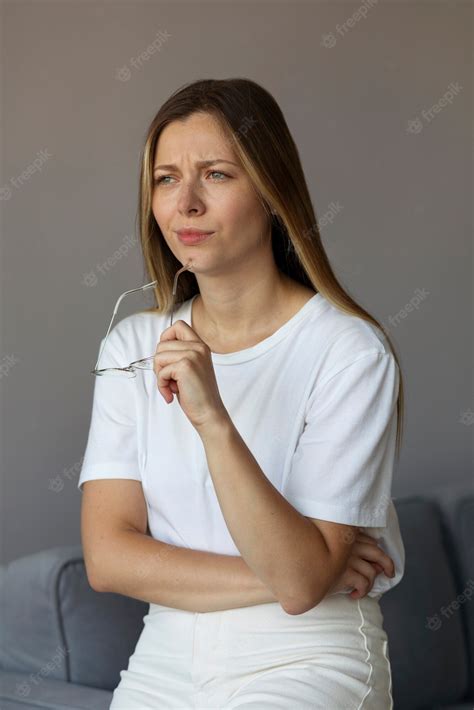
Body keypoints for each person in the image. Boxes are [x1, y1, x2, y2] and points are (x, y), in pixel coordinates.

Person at [78, 78, 405, 709]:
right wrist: (309, 571)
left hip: (310, 656)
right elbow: (108, 558)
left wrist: (213, 419)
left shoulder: (350, 352)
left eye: (218, 175)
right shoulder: (131, 345)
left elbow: (301, 587)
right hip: (164, 657)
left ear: (273, 192)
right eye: (167, 178)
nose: (186, 203)